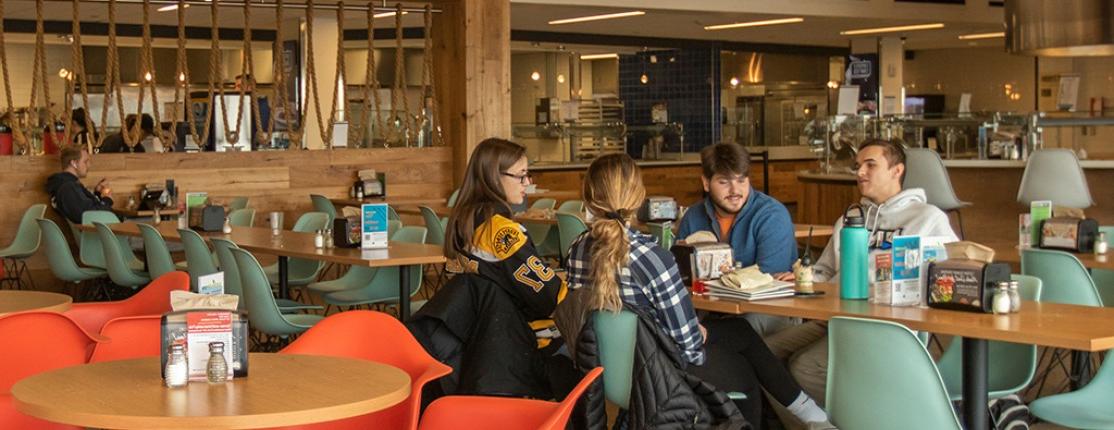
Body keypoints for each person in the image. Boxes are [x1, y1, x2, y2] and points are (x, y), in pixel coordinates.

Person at [563, 153, 831, 429]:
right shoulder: (653, 258)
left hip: (601, 372)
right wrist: (696, 332)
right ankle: (811, 416)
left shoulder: (576, 251)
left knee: (739, 332)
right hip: (656, 376)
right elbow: (690, 350)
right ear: (638, 196)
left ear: (588, 197)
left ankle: (811, 415)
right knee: (743, 368)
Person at [773, 139, 959, 406]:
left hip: (885, 327)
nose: (860, 173)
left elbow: (948, 277)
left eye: (870, 165)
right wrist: (804, 276)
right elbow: (825, 271)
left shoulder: (929, 218)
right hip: (834, 318)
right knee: (765, 353)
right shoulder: (850, 218)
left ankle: (863, 417)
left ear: (897, 171)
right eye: (858, 166)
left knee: (804, 366)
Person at [410, 137, 571, 400]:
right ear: (494, 178)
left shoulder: (464, 223)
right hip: (524, 348)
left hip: (476, 350)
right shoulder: (500, 231)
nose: (527, 183)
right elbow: (550, 298)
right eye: (521, 176)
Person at [676, 142, 800, 335]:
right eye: (724, 182)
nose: (735, 191)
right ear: (706, 183)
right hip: (710, 311)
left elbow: (767, 280)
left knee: (733, 331)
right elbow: (680, 277)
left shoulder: (772, 215)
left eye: (741, 180)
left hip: (766, 309)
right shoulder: (693, 217)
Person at [46, 146, 115, 224]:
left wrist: (97, 193)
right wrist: (107, 200)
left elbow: (84, 207)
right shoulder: (68, 188)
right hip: (98, 233)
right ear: (74, 163)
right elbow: (90, 216)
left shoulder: (68, 184)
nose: (89, 165)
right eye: (85, 161)